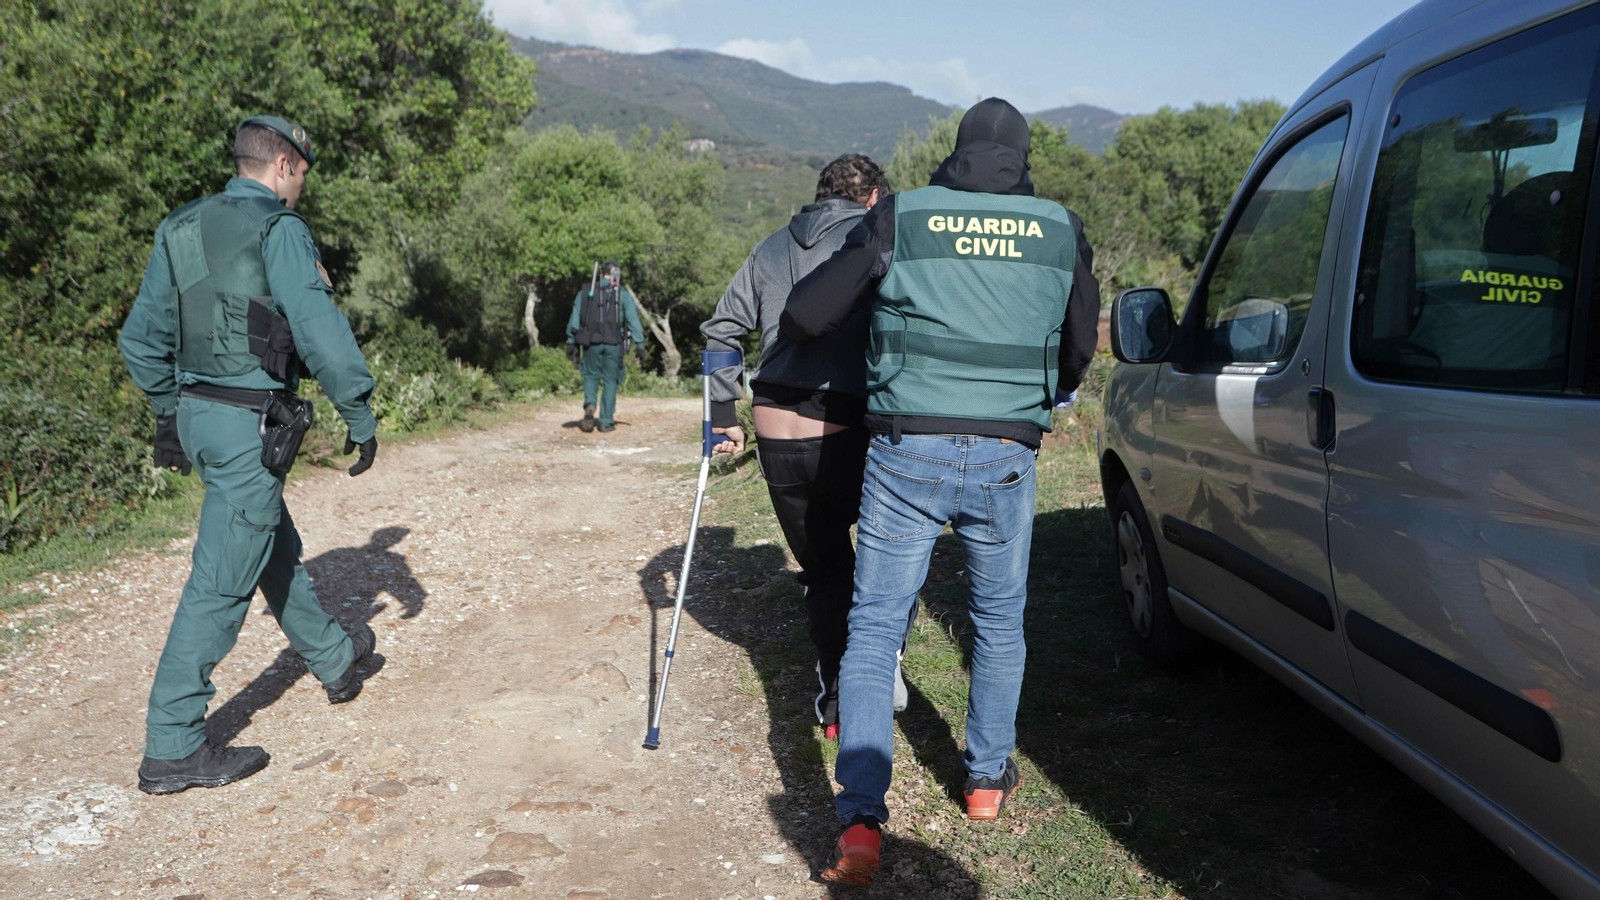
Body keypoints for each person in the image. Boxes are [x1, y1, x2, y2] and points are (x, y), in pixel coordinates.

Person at [780, 98, 1101, 885]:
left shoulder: (903, 215)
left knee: (873, 627)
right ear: (1021, 158)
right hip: (1007, 452)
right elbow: (1080, 345)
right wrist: (1033, 394)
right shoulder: (1059, 227)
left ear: (957, 153)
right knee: (997, 620)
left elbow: (808, 311)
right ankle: (986, 782)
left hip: (906, 448)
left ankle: (861, 820)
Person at [119, 116, 381, 795]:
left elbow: (141, 339)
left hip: (200, 417)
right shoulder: (278, 228)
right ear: (285, 165)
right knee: (219, 583)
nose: (301, 189)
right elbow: (318, 328)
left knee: (269, 544)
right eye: (303, 175)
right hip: (247, 423)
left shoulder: (180, 226)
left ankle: (335, 658)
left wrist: (171, 412)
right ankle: (173, 746)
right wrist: (358, 410)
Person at [699, 153, 907, 740]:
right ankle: (880, 660)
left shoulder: (768, 247)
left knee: (824, 566)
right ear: (874, 199)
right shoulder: (875, 237)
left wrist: (722, 415)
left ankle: (836, 693)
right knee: (890, 552)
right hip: (846, 418)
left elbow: (721, 330)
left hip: (774, 428)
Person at [566, 260, 646, 433]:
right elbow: (633, 321)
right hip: (614, 344)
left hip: (591, 344)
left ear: (602, 273)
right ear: (617, 274)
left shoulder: (585, 292)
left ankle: (590, 404)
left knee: (591, 376)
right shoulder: (622, 294)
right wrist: (640, 345)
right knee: (610, 381)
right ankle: (606, 422)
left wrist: (571, 342)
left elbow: (575, 319)